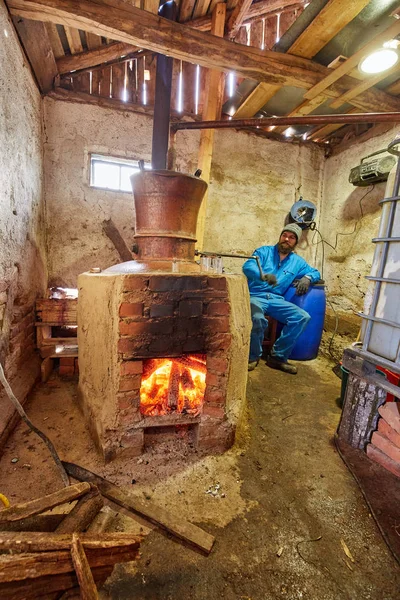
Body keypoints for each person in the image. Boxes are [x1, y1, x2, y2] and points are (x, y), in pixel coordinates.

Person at [243, 223, 321, 375]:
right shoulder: (263, 252)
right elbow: (248, 266)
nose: (287, 239)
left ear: (295, 242)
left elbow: (315, 271)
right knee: (258, 318)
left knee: (302, 317)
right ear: (280, 237)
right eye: (284, 235)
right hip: (255, 296)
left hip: (276, 300)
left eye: (291, 237)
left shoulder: (297, 262)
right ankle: (253, 357)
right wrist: (261, 275)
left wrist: (308, 277)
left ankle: (277, 357)